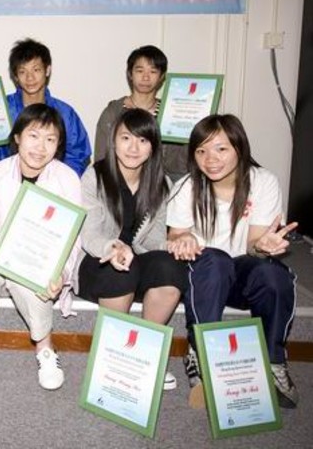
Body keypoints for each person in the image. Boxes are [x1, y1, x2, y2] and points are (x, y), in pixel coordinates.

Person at [167, 114, 299, 409]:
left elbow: (253, 246)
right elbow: (176, 235)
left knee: (275, 275)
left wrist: (263, 245)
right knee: (215, 259)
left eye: (220, 149)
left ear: (239, 147)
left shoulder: (263, 182)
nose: (210, 159)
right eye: (201, 151)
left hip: (241, 272)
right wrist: (182, 241)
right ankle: (200, 353)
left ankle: (274, 361)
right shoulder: (187, 186)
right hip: (204, 277)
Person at [0, 104, 81, 389]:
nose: (40, 147)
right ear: (17, 138)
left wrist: (62, 272)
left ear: (58, 145)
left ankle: (45, 348)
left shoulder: (66, 179)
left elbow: (73, 238)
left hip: (42, 256)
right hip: (0, 250)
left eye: (50, 139)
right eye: (34, 136)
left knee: (32, 277)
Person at [75, 108, 185, 390]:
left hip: (137, 260)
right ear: (114, 140)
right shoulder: (95, 175)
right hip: (98, 261)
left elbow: (151, 241)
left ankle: (148, 356)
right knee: (121, 269)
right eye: (126, 138)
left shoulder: (161, 184)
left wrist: (171, 246)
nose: (133, 147)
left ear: (153, 146)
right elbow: (89, 232)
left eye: (142, 140)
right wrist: (113, 247)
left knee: (169, 266)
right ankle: (116, 358)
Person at [0, 38, 91, 196]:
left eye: (36, 70)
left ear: (47, 70)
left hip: (49, 183)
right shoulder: (0, 107)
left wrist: (54, 178)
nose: (30, 78)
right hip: (7, 181)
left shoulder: (65, 112)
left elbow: (78, 154)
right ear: (15, 76)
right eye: (23, 72)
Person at [94, 45, 186, 181]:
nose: (146, 77)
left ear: (162, 77)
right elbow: (102, 158)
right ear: (130, 74)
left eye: (153, 71)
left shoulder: (171, 113)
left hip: (161, 188)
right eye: (139, 70)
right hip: (117, 186)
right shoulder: (113, 112)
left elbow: (179, 164)